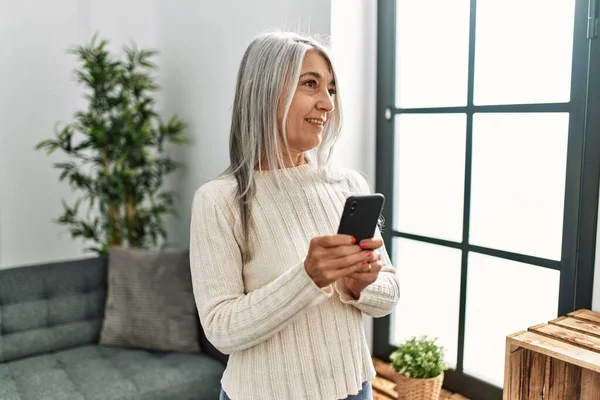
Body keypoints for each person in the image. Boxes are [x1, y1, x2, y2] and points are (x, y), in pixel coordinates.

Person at [189, 31, 401, 400]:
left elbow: (390, 295)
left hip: (355, 389)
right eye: (310, 84)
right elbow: (221, 330)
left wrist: (360, 285)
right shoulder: (219, 200)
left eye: (331, 89)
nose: (328, 104)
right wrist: (308, 277)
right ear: (264, 91)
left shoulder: (348, 184)